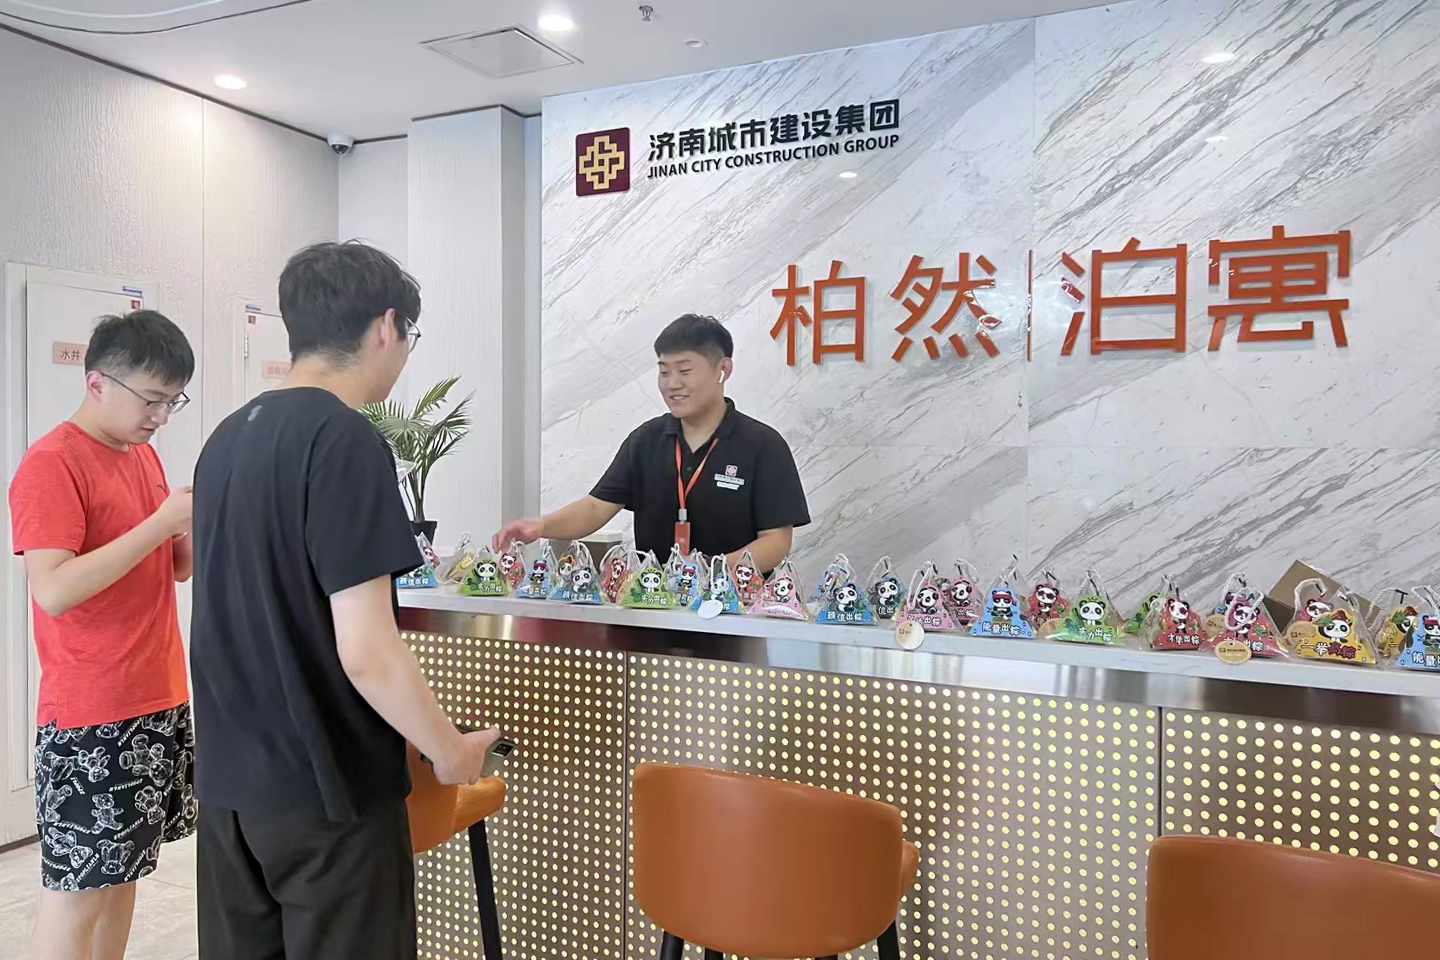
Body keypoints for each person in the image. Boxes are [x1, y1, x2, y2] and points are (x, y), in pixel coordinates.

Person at [189, 241, 498, 960]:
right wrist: (450, 752)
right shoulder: (344, 439)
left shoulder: (225, 439)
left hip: (231, 791)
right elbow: (366, 651)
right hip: (325, 793)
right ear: (387, 326)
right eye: (410, 335)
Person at [8, 310, 196, 960]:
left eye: (173, 401)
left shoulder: (142, 454)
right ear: (96, 382)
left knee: (123, 880)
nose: (161, 416)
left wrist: (202, 522)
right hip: (91, 713)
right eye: (152, 399)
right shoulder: (51, 464)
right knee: (77, 895)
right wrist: (161, 522)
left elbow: (173, 566)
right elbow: (54, 589)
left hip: (157, 696)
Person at [494, 314, 809, 571]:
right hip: (655, 606)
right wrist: (540, 526)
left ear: (722, 370)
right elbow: (595, 507)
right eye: (664, 372)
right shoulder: (645, 441)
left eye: (685, 370)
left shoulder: (763, 445)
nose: (672, 384)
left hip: (734, 611)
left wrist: (710, 572)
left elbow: (776, 541)